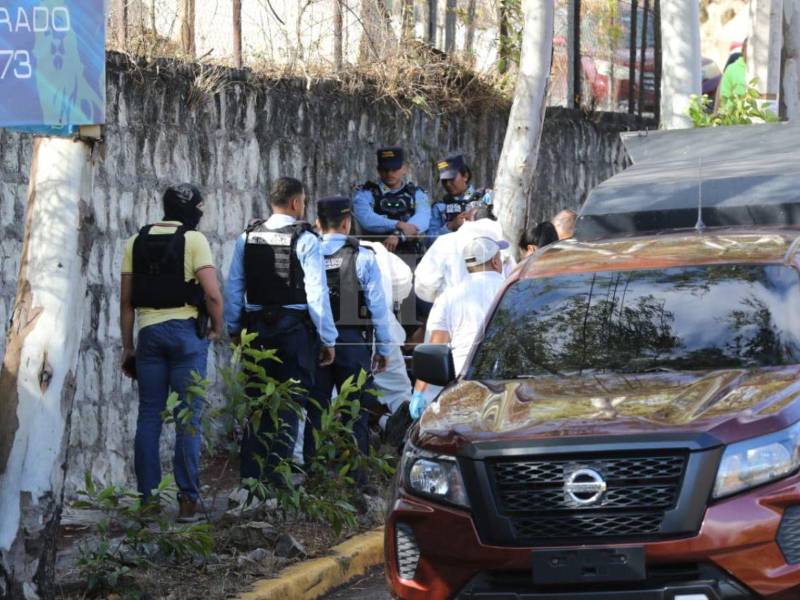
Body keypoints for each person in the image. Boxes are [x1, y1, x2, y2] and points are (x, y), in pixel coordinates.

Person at [120, 184, 223, 521]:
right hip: (186, 336)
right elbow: (212, 294)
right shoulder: (194, 240)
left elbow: (126, 303)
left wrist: (128, 347)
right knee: (187, 418)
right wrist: (217, 327)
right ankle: (187, 502)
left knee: (149, 415)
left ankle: (148, 502)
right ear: (193, 209)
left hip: (148, 335)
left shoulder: (135, 242)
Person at [224, 177, 337, 484]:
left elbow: (234, 287)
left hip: (255, 330)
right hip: (293, 332)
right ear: (296, 203)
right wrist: (328, 339)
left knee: (257, 405)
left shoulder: (247, 237)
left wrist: (234, 328)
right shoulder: (306, 240)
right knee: (288, 405)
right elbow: (317, 294)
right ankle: (277, 484)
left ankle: (250, 482)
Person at [303, 196, 393, 480]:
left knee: (315, 410)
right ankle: (358, 480)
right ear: (347, 223)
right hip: (353, 342)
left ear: (318, 224)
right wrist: (384, 348)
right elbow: (378, 308)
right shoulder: (362, 256)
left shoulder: (306, 251)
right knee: (356, 411)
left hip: (316, 342)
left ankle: (314, 477)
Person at [410, 235, 508, 419]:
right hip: (509, 384)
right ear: (495, 262)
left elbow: (435, 346)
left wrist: (419, 392)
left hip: (464, 386)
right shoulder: (512, 291)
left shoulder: (448, 298)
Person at [415, 206, 516, 304]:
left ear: (466, 219)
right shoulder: (504, 248)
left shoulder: (446, 242)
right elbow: (514, 285)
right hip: (495, 311)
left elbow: (424, 283)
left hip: (453, 308)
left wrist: (442, 301)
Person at [352, 147, 431, 253]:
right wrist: (398, 224)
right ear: (378, 170)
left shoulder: (417, 193)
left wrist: (399, 235)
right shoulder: (365, 193)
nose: (389, 174)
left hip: (410, 255)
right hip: (375, 255)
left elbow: (423, 218)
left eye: (394, 169)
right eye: (385, 170)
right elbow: (366, 219)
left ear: (404, 169)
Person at [428, 154, 492, 239]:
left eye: (451, 178)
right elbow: (429, 240)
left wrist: (478, 216)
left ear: (465, 176)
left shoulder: (485, 196)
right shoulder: (440, 207)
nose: (448, 184)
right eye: (444, 180)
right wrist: (450, 226)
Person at [718, 39, 747, 108]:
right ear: (743, 50)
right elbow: (724, 96)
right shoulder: (731, 69)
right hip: (734, 113)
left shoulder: (763, 70)